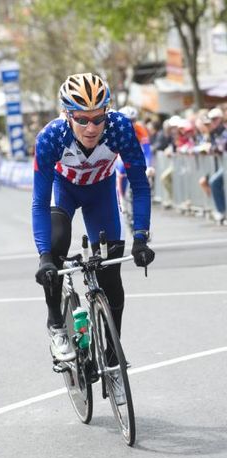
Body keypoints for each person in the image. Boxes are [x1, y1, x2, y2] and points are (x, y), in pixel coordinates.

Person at [32, 73, 155, 404]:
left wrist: (141, 236)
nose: (91, 127)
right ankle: (57, 325)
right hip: (65, 193)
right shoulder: (50, 138)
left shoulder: (119, 128)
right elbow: (39, 203)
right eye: (82, 119)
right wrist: (45, 256)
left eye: (98, 117)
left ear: (107, 113)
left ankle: (112, 361)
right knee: (56, 247)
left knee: (111, 276)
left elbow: (140, 185)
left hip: (101, 194)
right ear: (67, 115)